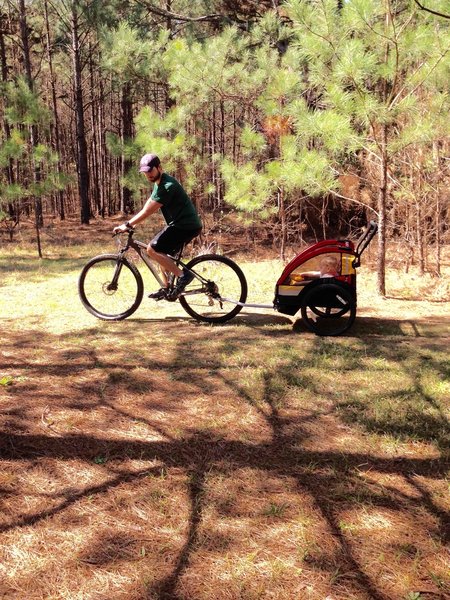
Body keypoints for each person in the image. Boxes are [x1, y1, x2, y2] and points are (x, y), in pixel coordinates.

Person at [114, 154, 202, 299]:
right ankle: (166, 288)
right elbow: (148, 204)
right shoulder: (159, 182)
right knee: (161, 252)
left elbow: (148, 211)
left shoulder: (167, 186)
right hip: (183, 225)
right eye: (145, 172)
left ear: (159, 168)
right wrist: (129, 223)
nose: (148, 174)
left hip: (185, 226)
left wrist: (128, 224)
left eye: (150, 171)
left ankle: (183, 276)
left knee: (152, 249)